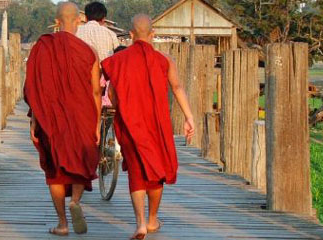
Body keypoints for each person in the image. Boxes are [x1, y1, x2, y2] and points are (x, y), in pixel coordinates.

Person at [100, 14, 195, 240]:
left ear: (131, 35)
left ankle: (140, 223)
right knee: (155, 172)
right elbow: (178, 87)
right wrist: (189, 117)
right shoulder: (164, 60)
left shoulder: (119, 60)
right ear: (152, 34)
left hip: (130, 123)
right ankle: (153, 219)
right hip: (157, 124)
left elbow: (110, 92)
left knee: (136, 171)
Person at [23, 1, 102, 236]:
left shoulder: (42, 47)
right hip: (83, 115)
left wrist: (35, 120)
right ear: (79, 19)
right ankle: (75, 201)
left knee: (55, 170)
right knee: (79, 162)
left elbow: (34, 88)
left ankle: (62, 223)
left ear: (56, 22)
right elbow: (96, 91)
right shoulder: (89, 52)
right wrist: (96, 123)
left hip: (51, 118)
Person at [76, 1, 120, 107]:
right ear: (104, 18)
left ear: (85, 18)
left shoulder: (76, 32)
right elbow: (117, 58)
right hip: (103, 83)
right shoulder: (111, 34)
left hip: (79, 80)